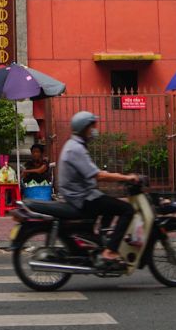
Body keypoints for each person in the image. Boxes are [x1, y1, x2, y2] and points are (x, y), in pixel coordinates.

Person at [57, 111, 139, 266]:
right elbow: (98, 175)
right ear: (84, 128)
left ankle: (101, 243)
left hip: (83, 194)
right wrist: (126, 178)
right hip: (82, 198)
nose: (95, 129)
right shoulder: (76, 149)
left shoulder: (75, 145)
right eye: (92, 126)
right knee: (127, 209)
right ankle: (110, 251)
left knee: (109, 204)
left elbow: (91, 173)